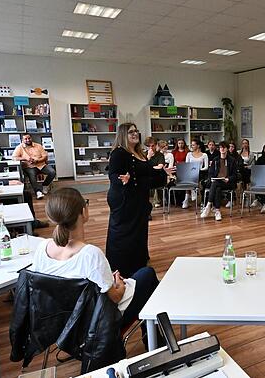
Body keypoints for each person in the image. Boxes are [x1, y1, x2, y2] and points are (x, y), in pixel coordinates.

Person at [30, 188, 160, 340]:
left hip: (61, 325)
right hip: (95, 325)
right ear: (83, 212)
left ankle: (153, 336)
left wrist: (105, 278)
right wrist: (119, 284)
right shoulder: (90, 254)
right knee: (147, 274)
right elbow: (116, 298)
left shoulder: (42, 248)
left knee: (144, 276)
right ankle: (154, 338)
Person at [106, 123, 170, 277]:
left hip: (139, 200)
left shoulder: (139, 153)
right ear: (123, 135)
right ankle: (120, 266)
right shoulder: (119, 153)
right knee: (123, 233)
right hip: (124, 200)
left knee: (139, 232)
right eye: (131, 132)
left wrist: (162, 172)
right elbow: (113, 175)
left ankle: (138, 261)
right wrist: (123, 179)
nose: (135, 134)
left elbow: (147, 173)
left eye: (136, 131)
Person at [201, 142, 239, 221]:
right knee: (217, 188)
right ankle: (217, 211)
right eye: (221, 147)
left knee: (215, 184)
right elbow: (210, 173)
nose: (222, 149)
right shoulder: (215, 160)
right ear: (219, 149)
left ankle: (208, 205)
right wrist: (211, 178)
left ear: (227, 149)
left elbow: (235, 175)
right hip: (217, 181)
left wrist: (228, 178)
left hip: (227, 182)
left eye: (224, 147)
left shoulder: (232, 160)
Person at [13, 133, 57, 199]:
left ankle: (45, 185)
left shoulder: (38, 146)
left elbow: (45, 156)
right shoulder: (19, 147)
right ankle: (38, 192)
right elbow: (14, 157)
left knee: (52, 172)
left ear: (31, 138)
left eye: (29, 138)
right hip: (29, 166)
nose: (28, 140)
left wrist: (38, 160)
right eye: (25, 139)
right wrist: (25, 158)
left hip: (41, 165)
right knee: (32, 174)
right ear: (22, 140)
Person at [183, 139, 209, 209]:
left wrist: (198, 169)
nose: (192, 146)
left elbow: (206, 167)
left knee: (189, 177)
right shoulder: (189, 154)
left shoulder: (204, 155)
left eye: (193, 145)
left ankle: (187, 198)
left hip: (200, 172)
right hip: (190, 171)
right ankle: (192, 191)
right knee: (188, 175)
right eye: (191, 145)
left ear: (198, 146)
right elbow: (187, 165)